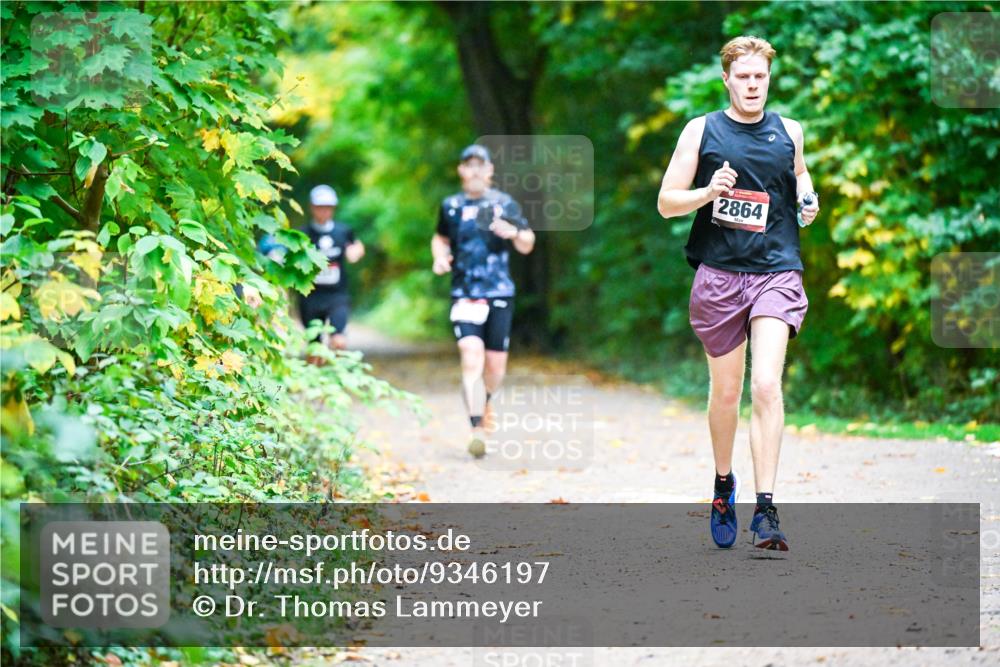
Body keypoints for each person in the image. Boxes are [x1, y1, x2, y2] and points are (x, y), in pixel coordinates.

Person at [656, 36, 819, 551]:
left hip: (776, 271)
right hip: (721, 275)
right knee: (727, 394)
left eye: (761, 77)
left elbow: (798, 175)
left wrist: (809, 198)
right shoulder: (701, 130)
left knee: (766, 386)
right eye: (744, 77)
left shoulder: (789, 131)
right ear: (726, 79)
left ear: (769, 79)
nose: (753, 85)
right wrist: (707, 192)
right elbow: (665, 202)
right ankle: (724, 483)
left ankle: (767, 510)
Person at [431, 145, 535, 458]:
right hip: (464, 293)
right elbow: (440, 237)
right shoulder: (450, 206)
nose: (474, 170)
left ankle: (486, 404)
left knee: (494, 368)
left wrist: (513, 232)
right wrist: (439, 257)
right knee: (470, 354)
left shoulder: (504, 203)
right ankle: (476, 429)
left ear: (490, 170)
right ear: (461, 170)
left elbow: (529, 243)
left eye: (480, 165)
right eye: (468, 164)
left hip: (499, 292)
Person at [299, 184, 364, 356]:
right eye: (320, 207)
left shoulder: (343, 231)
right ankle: (316, 381)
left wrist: (355, 252)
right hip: (310, 297)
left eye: (328, 207)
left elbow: (357, 245)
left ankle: (336, 375)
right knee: (314, 349)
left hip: (337, 295)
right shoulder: (302, 235)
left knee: (339, 341)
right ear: (312, 207)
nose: (324, 211)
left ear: (333, 208)